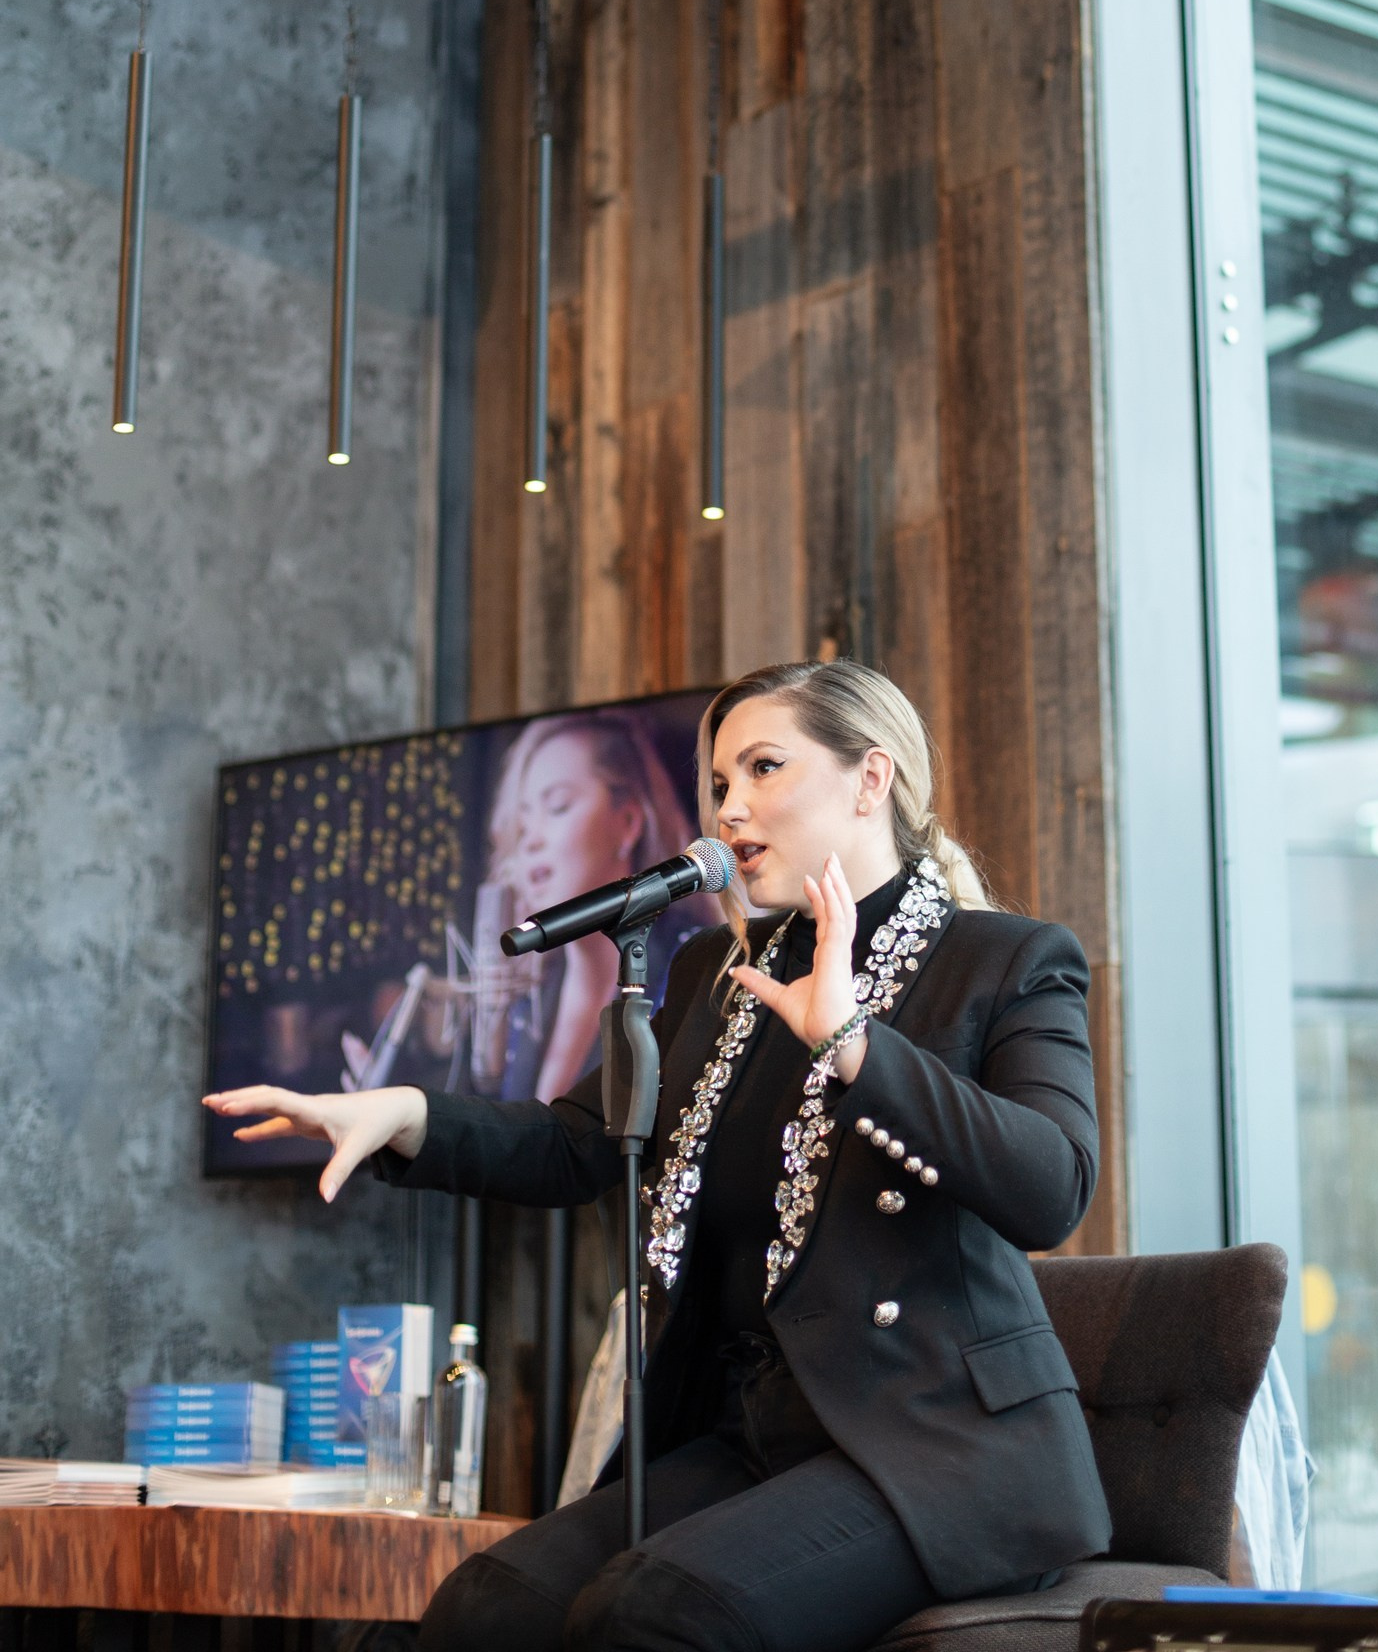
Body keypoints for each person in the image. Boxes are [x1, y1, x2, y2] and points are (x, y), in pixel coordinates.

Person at [204, 660, 1110, 1652]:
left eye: (764, 767)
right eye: (719, 783)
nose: (729, 807)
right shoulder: (719, 973)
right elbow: (578, 1144)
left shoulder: (1005, 959)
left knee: (650, 1614)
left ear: (870, 778)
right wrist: (404, 1113)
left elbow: (1052, 1186)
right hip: (747, 1435)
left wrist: (855, 1042)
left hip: (937, 1452)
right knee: (487, 1605)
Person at [471, 712, 713, 1101]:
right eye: (524, 822)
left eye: (558, 806)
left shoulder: (694, 967)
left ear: (629, 822)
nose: (530, 841)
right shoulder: (526, 998)